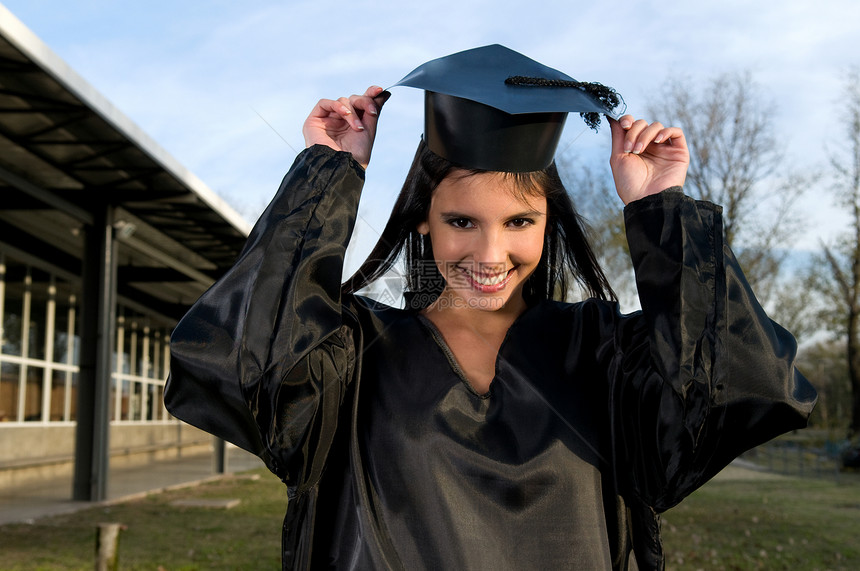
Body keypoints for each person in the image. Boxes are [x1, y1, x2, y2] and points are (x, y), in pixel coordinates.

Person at [164, 45, 817, 570]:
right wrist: (326, 172)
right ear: (425, 223)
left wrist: (662, 209)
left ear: (547, 223)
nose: (491, 251)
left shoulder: (603, 354)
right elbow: (245, 364)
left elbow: (739, 383)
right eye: (462, 221)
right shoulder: (352, 352)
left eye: (519, 221)